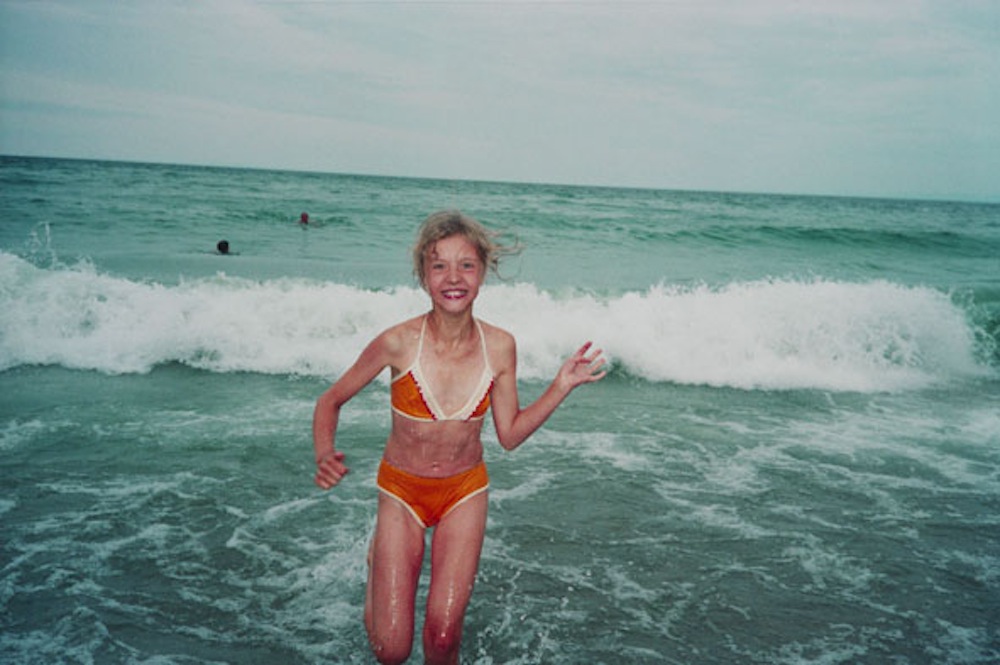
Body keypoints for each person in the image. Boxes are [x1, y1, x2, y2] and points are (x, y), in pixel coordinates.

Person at [313, 210, 606, 664]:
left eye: (466, 265)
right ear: (423, 275)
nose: (454, 277)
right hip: (401, 492)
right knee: (391, 651)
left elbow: (508, 435)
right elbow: (329, 401)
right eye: (439, 265)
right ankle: (377, 567)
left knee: (444, 637)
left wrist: (559, 387)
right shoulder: (398, 342)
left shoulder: (501, 346)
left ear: (483, 273)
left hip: (464, 493)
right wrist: (324, 452)